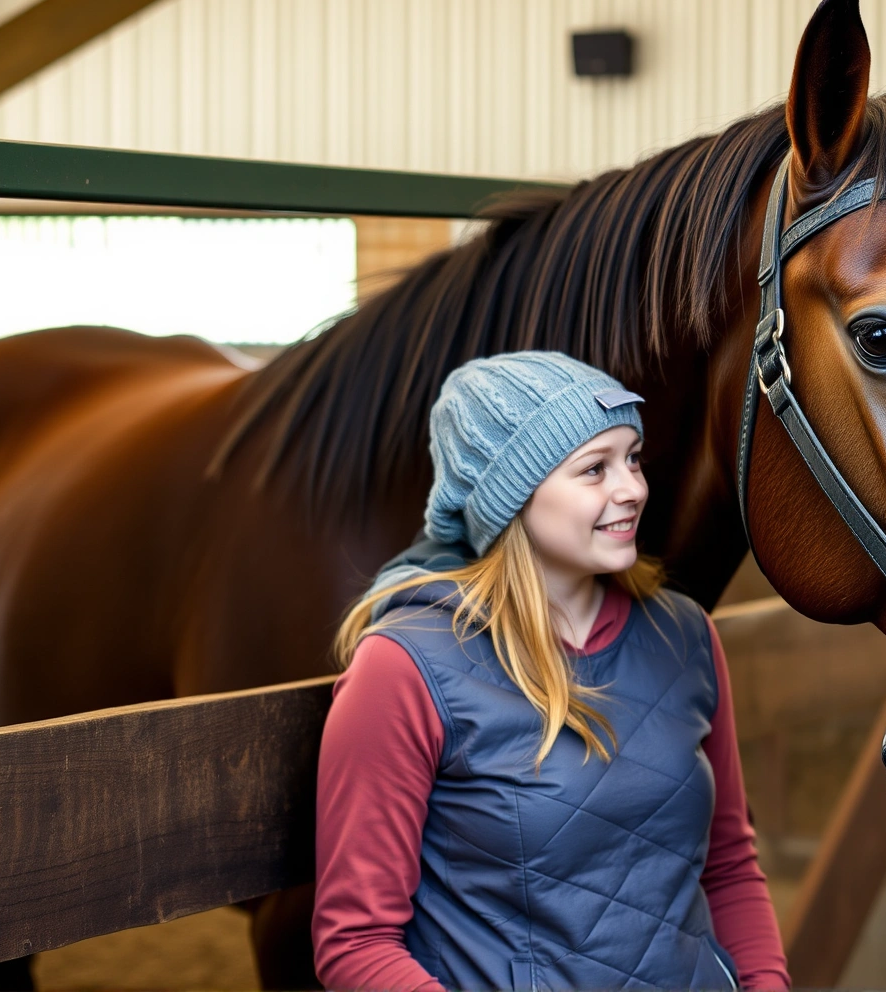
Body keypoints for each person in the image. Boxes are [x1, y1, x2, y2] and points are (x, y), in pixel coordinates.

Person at [311, 351, 788, 991]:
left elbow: (729, 863)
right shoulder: (404, 667)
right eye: (594, 469)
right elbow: (356, 943)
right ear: (513, 495)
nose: (634, 489)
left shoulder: (684, 633)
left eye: (633, 459)